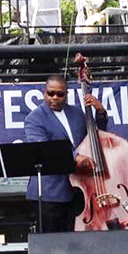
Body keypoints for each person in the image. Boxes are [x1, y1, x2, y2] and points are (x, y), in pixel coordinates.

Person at [24, 74, 107, 233]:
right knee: (53, 245)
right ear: (44, 92)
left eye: (60, 94)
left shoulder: (76, 113)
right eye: (51, 93)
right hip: (50, 193)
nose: (54, 97)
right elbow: (45, 149)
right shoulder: (34, 119)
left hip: (79, 190)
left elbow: (96, 139)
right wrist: (76, 157)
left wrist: (100, 112)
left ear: (66, 94)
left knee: (76, 242)